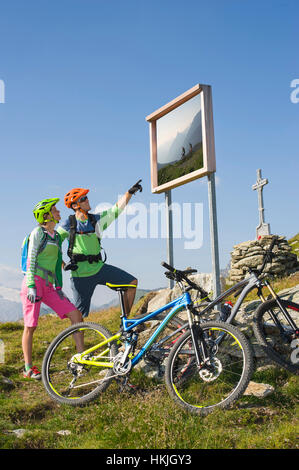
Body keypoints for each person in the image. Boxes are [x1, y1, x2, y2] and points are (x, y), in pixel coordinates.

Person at [57, 180, 142, 318]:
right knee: (79, 316)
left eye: (86, 197)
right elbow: (55, 244)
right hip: (80, 275)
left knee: (132, 283)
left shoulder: (95, 220)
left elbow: (116, 210)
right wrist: (63, 264)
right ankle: (77, 338)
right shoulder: (69, 223)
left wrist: (129, 193)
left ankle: (125, 325)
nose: (87, 200)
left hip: (99, 268)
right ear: (74, 205)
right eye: (83, 199)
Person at [21, 198, 83, 380]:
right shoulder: (37, 233)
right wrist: (31, 285)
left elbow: (57, 264)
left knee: (76, 315)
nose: (59, 213)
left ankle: (81, 359)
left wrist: (59, 286)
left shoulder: (55, 237)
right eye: (55, 210)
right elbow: (31, 260)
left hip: (50, 285)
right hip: (34, 282)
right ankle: (28, 368)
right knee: (30, 326)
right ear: (46, 215)